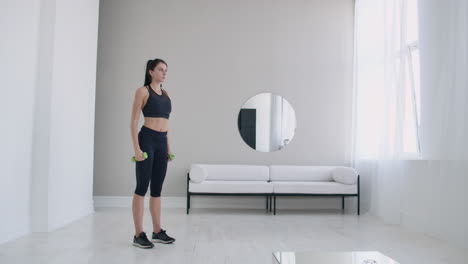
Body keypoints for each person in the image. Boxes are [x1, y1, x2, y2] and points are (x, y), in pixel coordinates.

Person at [130, 58, 175, 248]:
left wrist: (169, 147)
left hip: (161, 142)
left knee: (157, 189)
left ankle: (157, 231)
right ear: (151, 71)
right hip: (147, 140)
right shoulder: (143, 91)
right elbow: (133, 122)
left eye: (166, 70)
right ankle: (138, 234)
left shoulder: (166, 94)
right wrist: (137, 149)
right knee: (142, 186)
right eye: (160, 69)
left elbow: (167, 124)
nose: (164, 73)